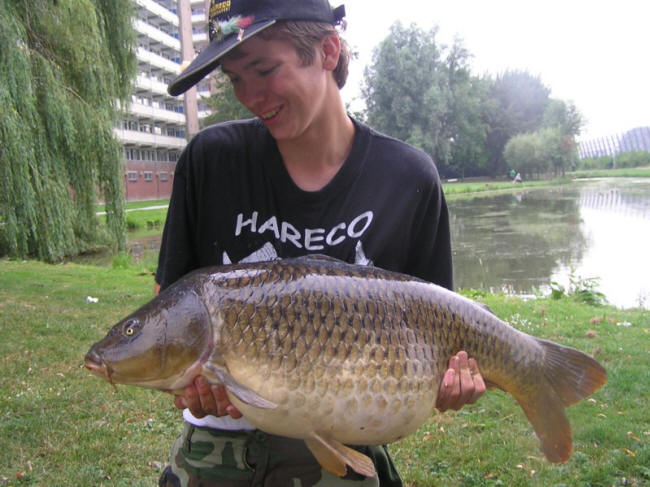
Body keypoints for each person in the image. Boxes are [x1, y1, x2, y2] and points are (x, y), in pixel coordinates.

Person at [155, 1, 486, 485]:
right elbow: (167, 319)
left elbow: (442, 333)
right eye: (235, 78)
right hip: (218, 447)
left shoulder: (408, 178)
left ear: (329, 51)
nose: (250, 96)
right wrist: (187, 383)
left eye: (264, 69)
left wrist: (453, 379)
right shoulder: (209, 161)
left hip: (347, 442)